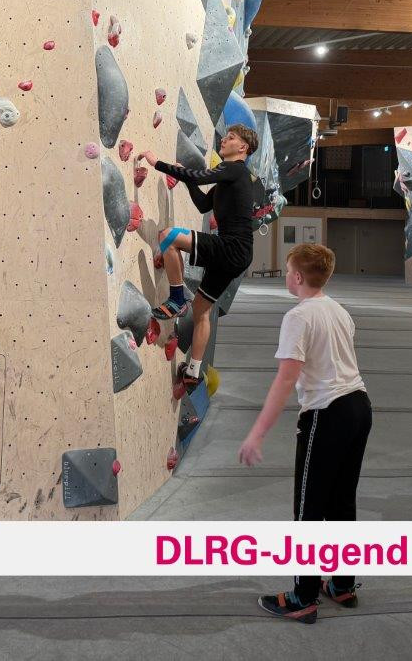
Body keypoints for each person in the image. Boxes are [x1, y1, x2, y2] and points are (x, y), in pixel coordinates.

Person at [237, 243, 370, 624]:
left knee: (308, 510)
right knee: (342, 504)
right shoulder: (339, 310)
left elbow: (286, 378)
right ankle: (342, 584)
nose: (286, 276)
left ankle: (303, 597)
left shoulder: (298, 316)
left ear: (297, 277)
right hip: (359, 407)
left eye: (287, 271)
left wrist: (258, 432)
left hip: (328, 414)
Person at [136, 123, 258, 394]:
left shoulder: (235, 169)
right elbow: (203, 204)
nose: (224, 140)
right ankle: (192, 372)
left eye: (231, 138)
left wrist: (159, 164)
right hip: (238, 254)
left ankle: (177, 298)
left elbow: (199, 176)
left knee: (168, 236)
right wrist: (187, 179)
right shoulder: (230, 179)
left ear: (243, 148)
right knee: (202, 311)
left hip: (231, 247)